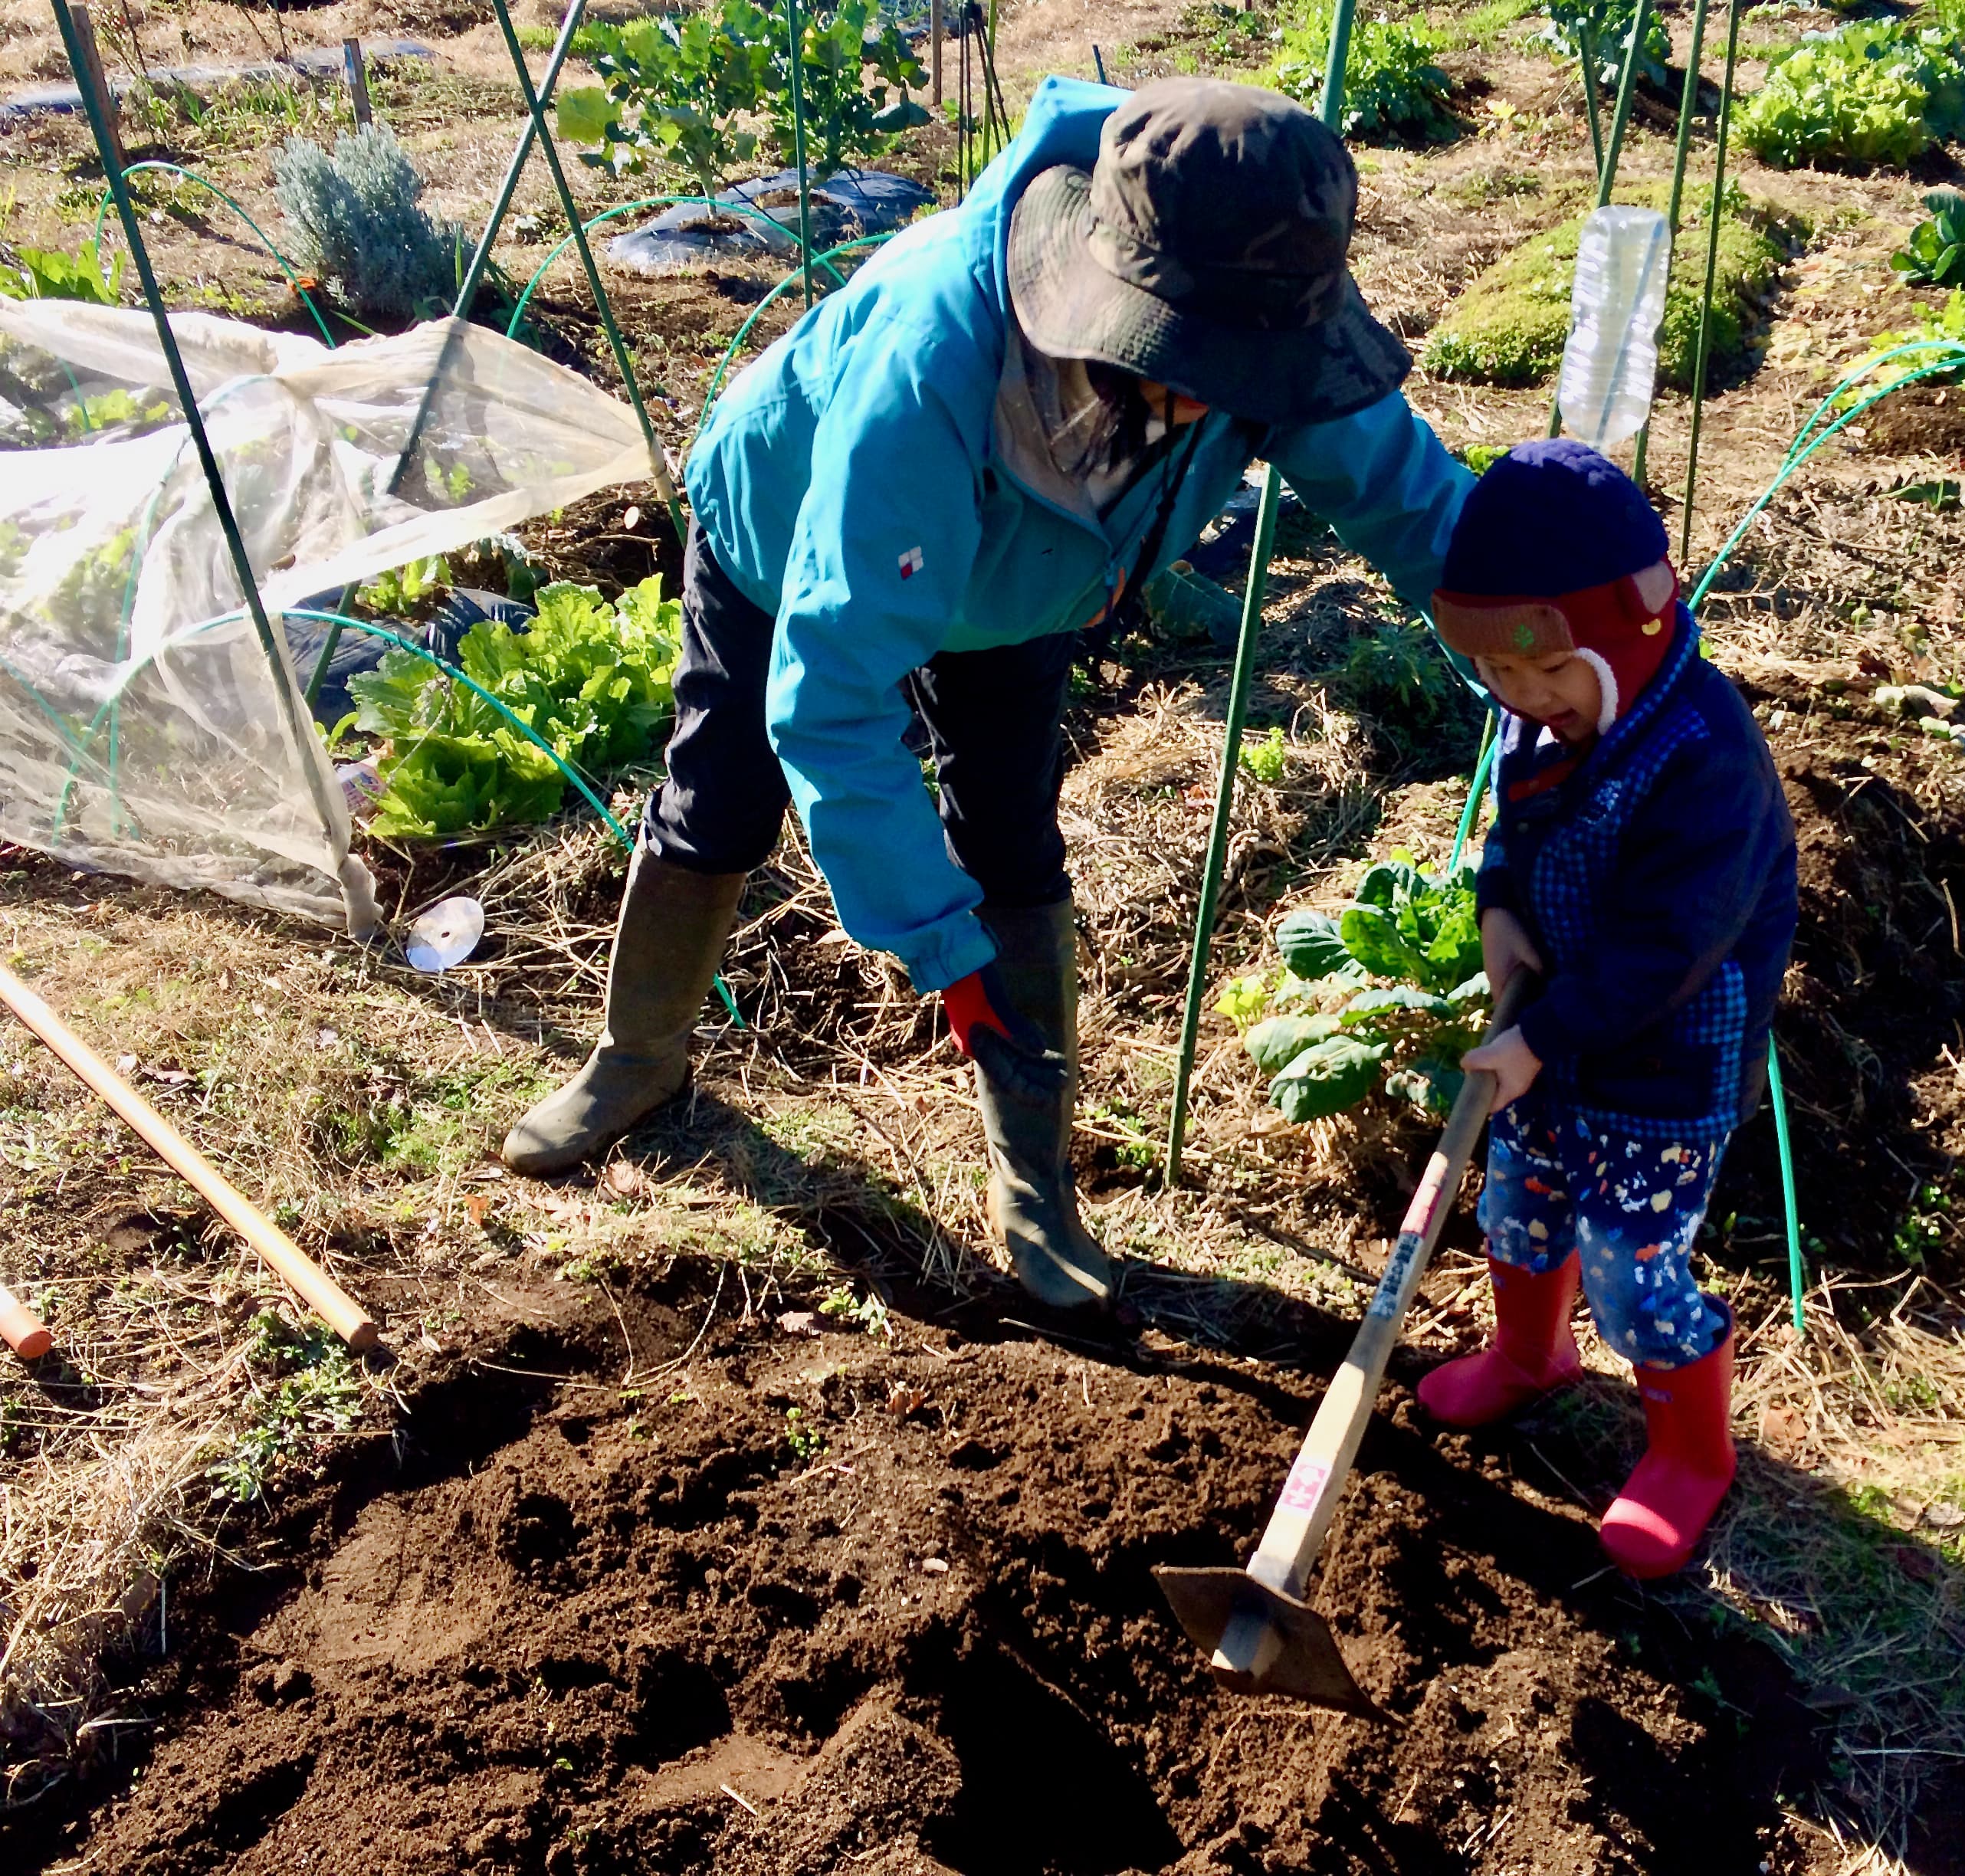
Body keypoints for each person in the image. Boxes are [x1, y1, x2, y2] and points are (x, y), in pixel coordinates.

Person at [498, 77, 1475, 1314]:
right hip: (795, 534)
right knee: (722, 796)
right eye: (1187, 368)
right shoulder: (935, 355)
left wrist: (1559, 628)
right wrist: (936, 946)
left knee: (1011, 830)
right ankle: (634, 1059)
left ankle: (1036, 1177)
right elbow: (835, 694)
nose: (1213, 402)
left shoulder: (1258, 313)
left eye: (1240, 375)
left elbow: (1411, 499)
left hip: (1029, 580)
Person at [1417, 440, 1797, 1579]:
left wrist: (1537, 1036)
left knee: (1632, 1269)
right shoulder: (1537, 719)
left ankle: (1690, 1453)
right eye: (1500, 678)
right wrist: (1496, 913)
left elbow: (1667, 953)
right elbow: (1510, 830)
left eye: (1548, 676)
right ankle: (1530, 1358)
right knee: (1521, 1211)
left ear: (1624, 634)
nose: (1527, 703)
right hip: (1557, 1045)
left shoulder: (1702, 756)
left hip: (1662, 1065)